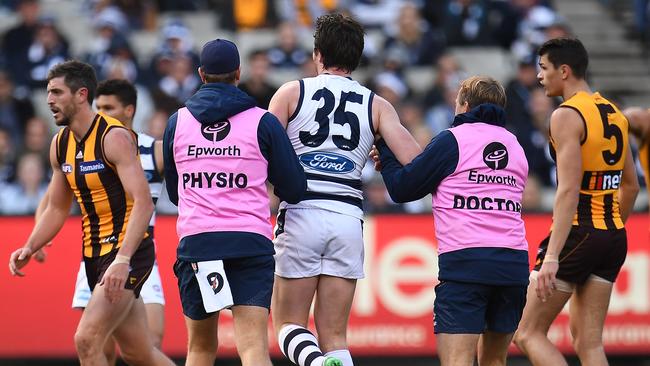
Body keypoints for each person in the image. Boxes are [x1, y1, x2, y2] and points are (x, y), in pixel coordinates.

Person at [268, 13, 422, 366]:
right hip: (348, 217)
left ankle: (317, 364)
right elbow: (415, 161)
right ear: (356, 58)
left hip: (301, 212)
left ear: (318, 54)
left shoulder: (291, 92)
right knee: (335, 336)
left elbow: (262, 154)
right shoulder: (377, 104)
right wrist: (383, 154)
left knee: (288, 324)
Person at [8, 60, 175, 365]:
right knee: (139, 353)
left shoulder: (114, 137)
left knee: (86, 339)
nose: (49, 100)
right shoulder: (60, 144)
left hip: (128, 251)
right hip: (94, 255)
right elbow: (57, 207)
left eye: (57, 92)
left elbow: (144, 202)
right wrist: (31, 245)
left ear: (81, 94)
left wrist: (123, 259)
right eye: (48, 93)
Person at [163, 38, 306, 366]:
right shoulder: (262, 121)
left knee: (199, 349)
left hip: (199, 246)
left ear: (200, 74)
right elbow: (295, 187)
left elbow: (175, 193)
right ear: (238, 73)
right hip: (248, 245)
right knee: (253, 349)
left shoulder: (178, 122)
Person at [375, 76, 530, 366]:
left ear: (465, 105)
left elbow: (402, 189)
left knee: (457, 361)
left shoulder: (453, 139)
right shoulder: (516, 145)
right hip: (513, 265)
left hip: (467, 263)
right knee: (495, 361)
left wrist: (386, 151)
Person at [513, 38, 639, 366]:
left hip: (578, 232)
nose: (540, 77)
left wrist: (552, 256)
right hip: (613, 235)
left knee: (527, 332)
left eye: (544, 68)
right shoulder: (615, 113)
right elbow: (632, 186)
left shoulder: (566, 115)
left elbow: (568, 190)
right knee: (589, 342)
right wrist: (607, 231)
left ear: (564, 71)